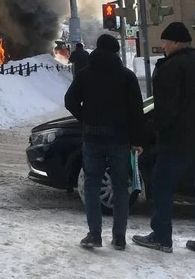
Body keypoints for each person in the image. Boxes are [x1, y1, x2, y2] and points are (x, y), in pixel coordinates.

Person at [133, 22, 195, 258]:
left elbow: (165, 110)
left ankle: (162, 236)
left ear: (175, 42)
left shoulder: (170, 68)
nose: (163, 46)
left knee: (161, 184)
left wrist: (155, 131)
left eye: (165, 42)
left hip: (177, 141)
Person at [64, 34, 144, 250]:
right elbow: (136, 111)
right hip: (120, 139)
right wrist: (137, 140)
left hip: (92, 138)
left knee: (91, 184)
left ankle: (94, 234)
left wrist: (85, 118)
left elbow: (69, 100)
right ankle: (119, 237)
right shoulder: (126, 76)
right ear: (117, 52)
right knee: (120, 186)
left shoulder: (84, 74)